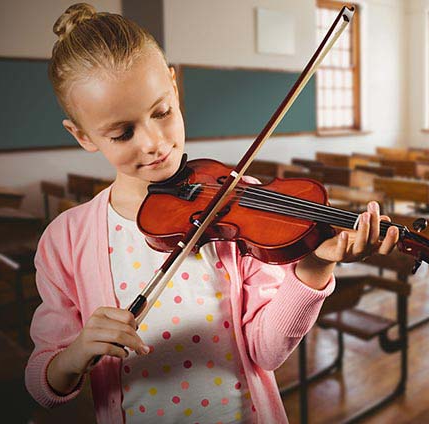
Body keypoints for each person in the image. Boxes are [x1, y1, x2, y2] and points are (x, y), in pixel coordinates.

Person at [25, 3, 399, 423]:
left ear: (174, 83)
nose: (154, 142)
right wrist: (75, 355)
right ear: (82, 135)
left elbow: (265, 352)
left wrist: (314, 267)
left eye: (162, 112)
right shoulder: (66, 241)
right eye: (122, 133)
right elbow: (43, 385)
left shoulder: (239, 204)